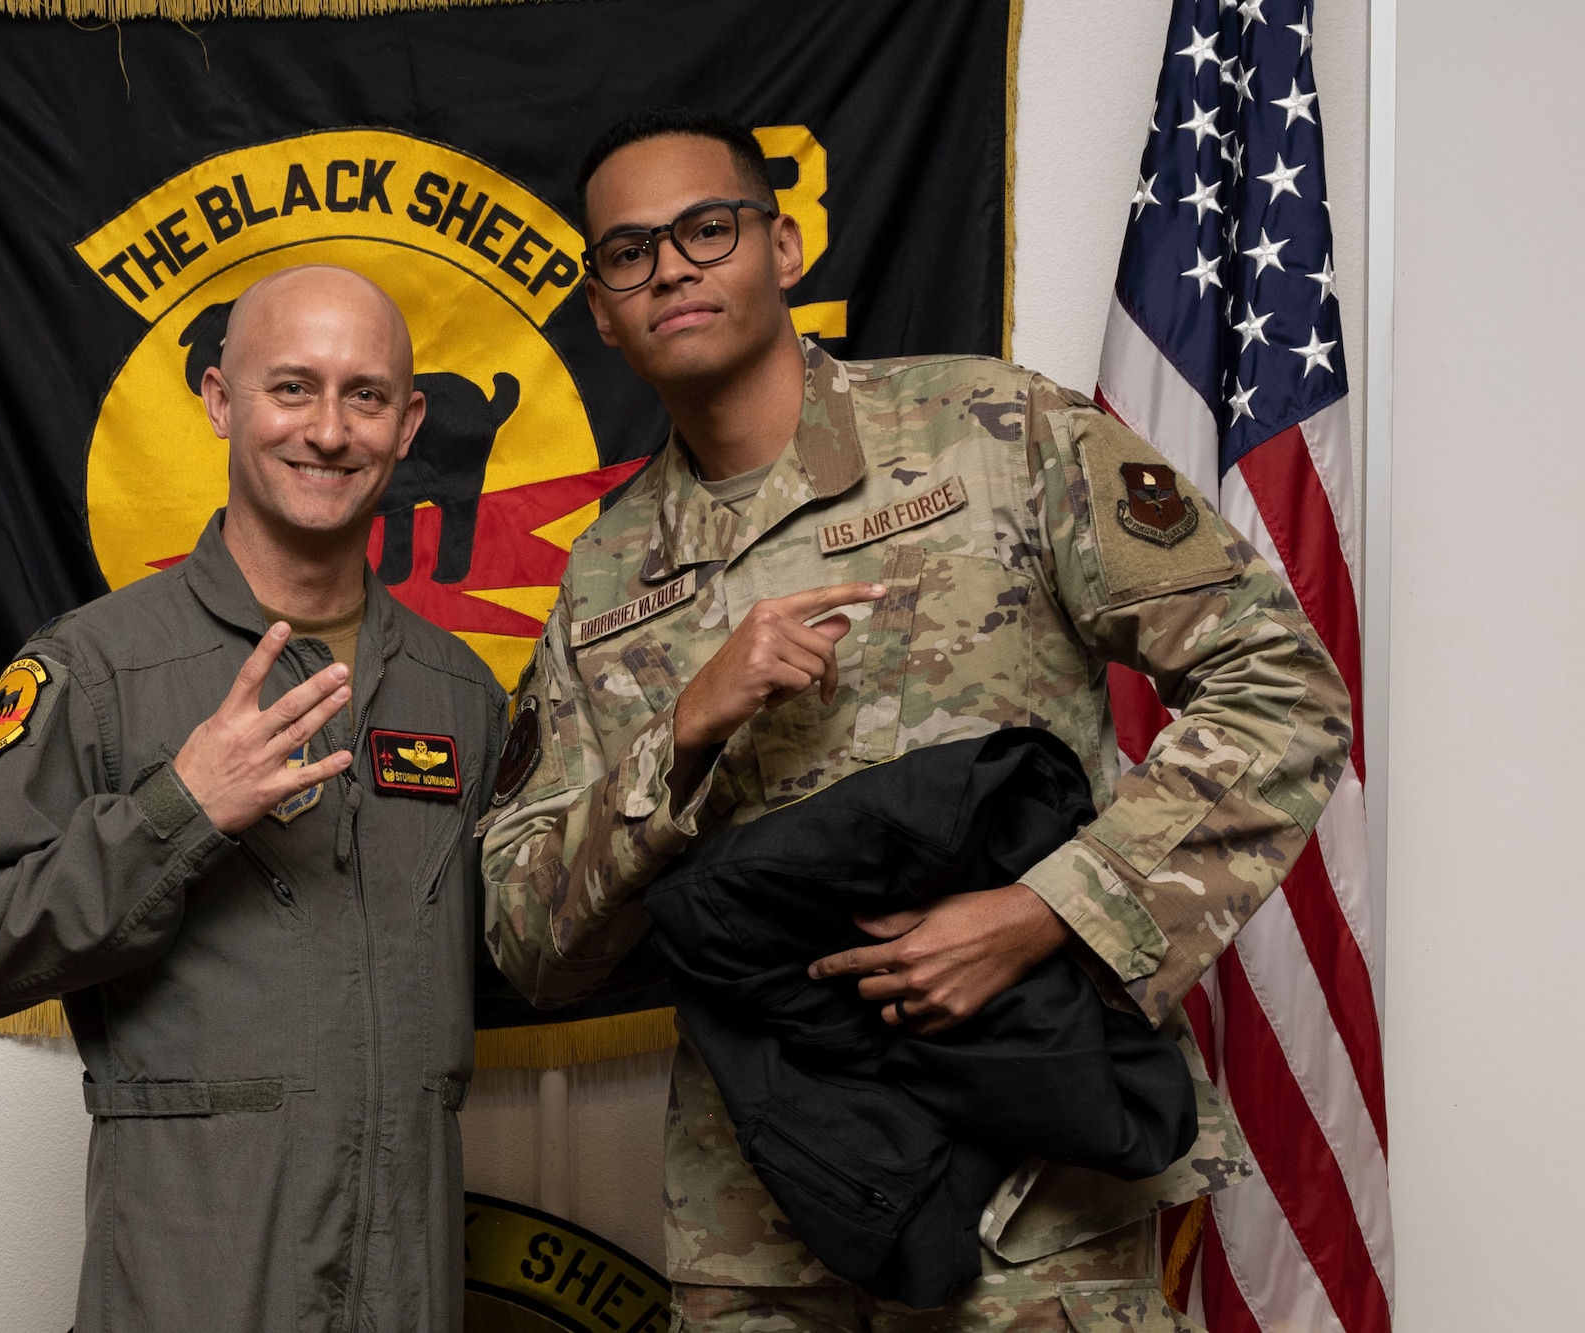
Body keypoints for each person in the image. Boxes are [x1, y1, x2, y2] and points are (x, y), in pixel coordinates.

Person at [478, 108, 1352, 1332]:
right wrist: (678, 734)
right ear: (601, 310)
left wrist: (1047, 911)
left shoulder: (995, 435)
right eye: (627, 253)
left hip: (1030, 1200)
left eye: (704, 229)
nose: (668, 266)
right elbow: (528, 943)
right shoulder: (604, 578)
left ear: (782, 248)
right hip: (761, 1223)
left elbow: (1282, 684)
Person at [0, 265, 506, 1332]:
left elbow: (525, 945)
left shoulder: (459, 691)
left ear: (409, 420)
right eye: (291, 388)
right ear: (218, 400)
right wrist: (176, 807)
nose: (328, 431)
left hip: (407, 1291)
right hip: (193, 1287)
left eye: (364, 395)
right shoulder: (98, 669)